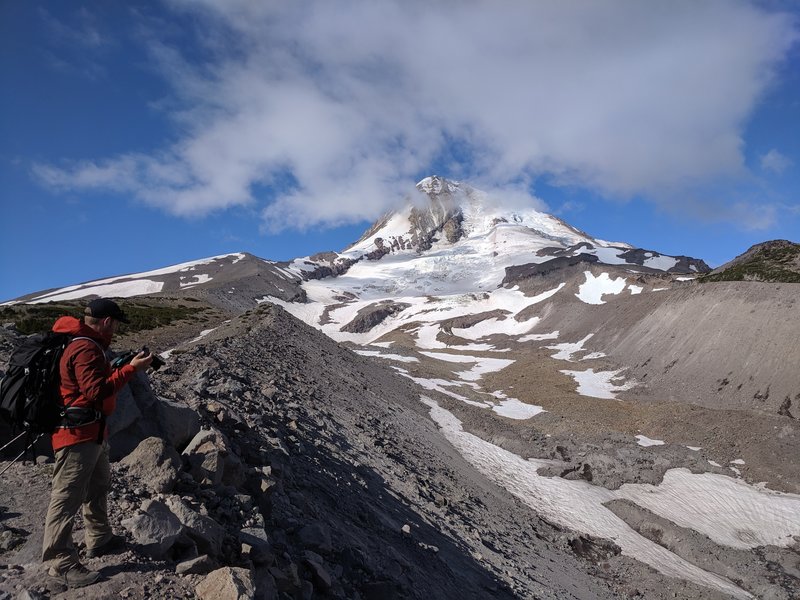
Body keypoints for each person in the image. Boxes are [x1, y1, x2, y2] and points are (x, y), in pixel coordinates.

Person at [42, 298, 153, 588]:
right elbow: (96, 391)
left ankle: (99, 538)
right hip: (77, 435)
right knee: (67, 496)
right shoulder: (85, 348)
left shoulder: (89, 346)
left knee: (98, 485)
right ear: (106, 322)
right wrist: (131, 370)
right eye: (115, 323)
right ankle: (60, 563)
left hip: (93, 433)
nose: (115, 329)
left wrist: (122, 365)